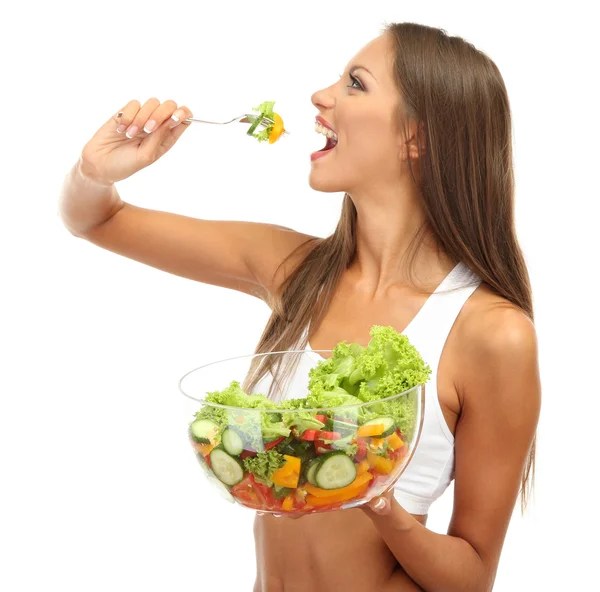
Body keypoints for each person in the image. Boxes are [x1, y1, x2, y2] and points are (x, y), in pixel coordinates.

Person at [58, 21, 541, 592]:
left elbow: (472, 578)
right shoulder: (295, 270)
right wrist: (95, 171)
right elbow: (96, 219)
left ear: (416, 136)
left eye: (355, 84)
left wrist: (375, 497)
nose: (321, 95)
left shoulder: (492, 333)